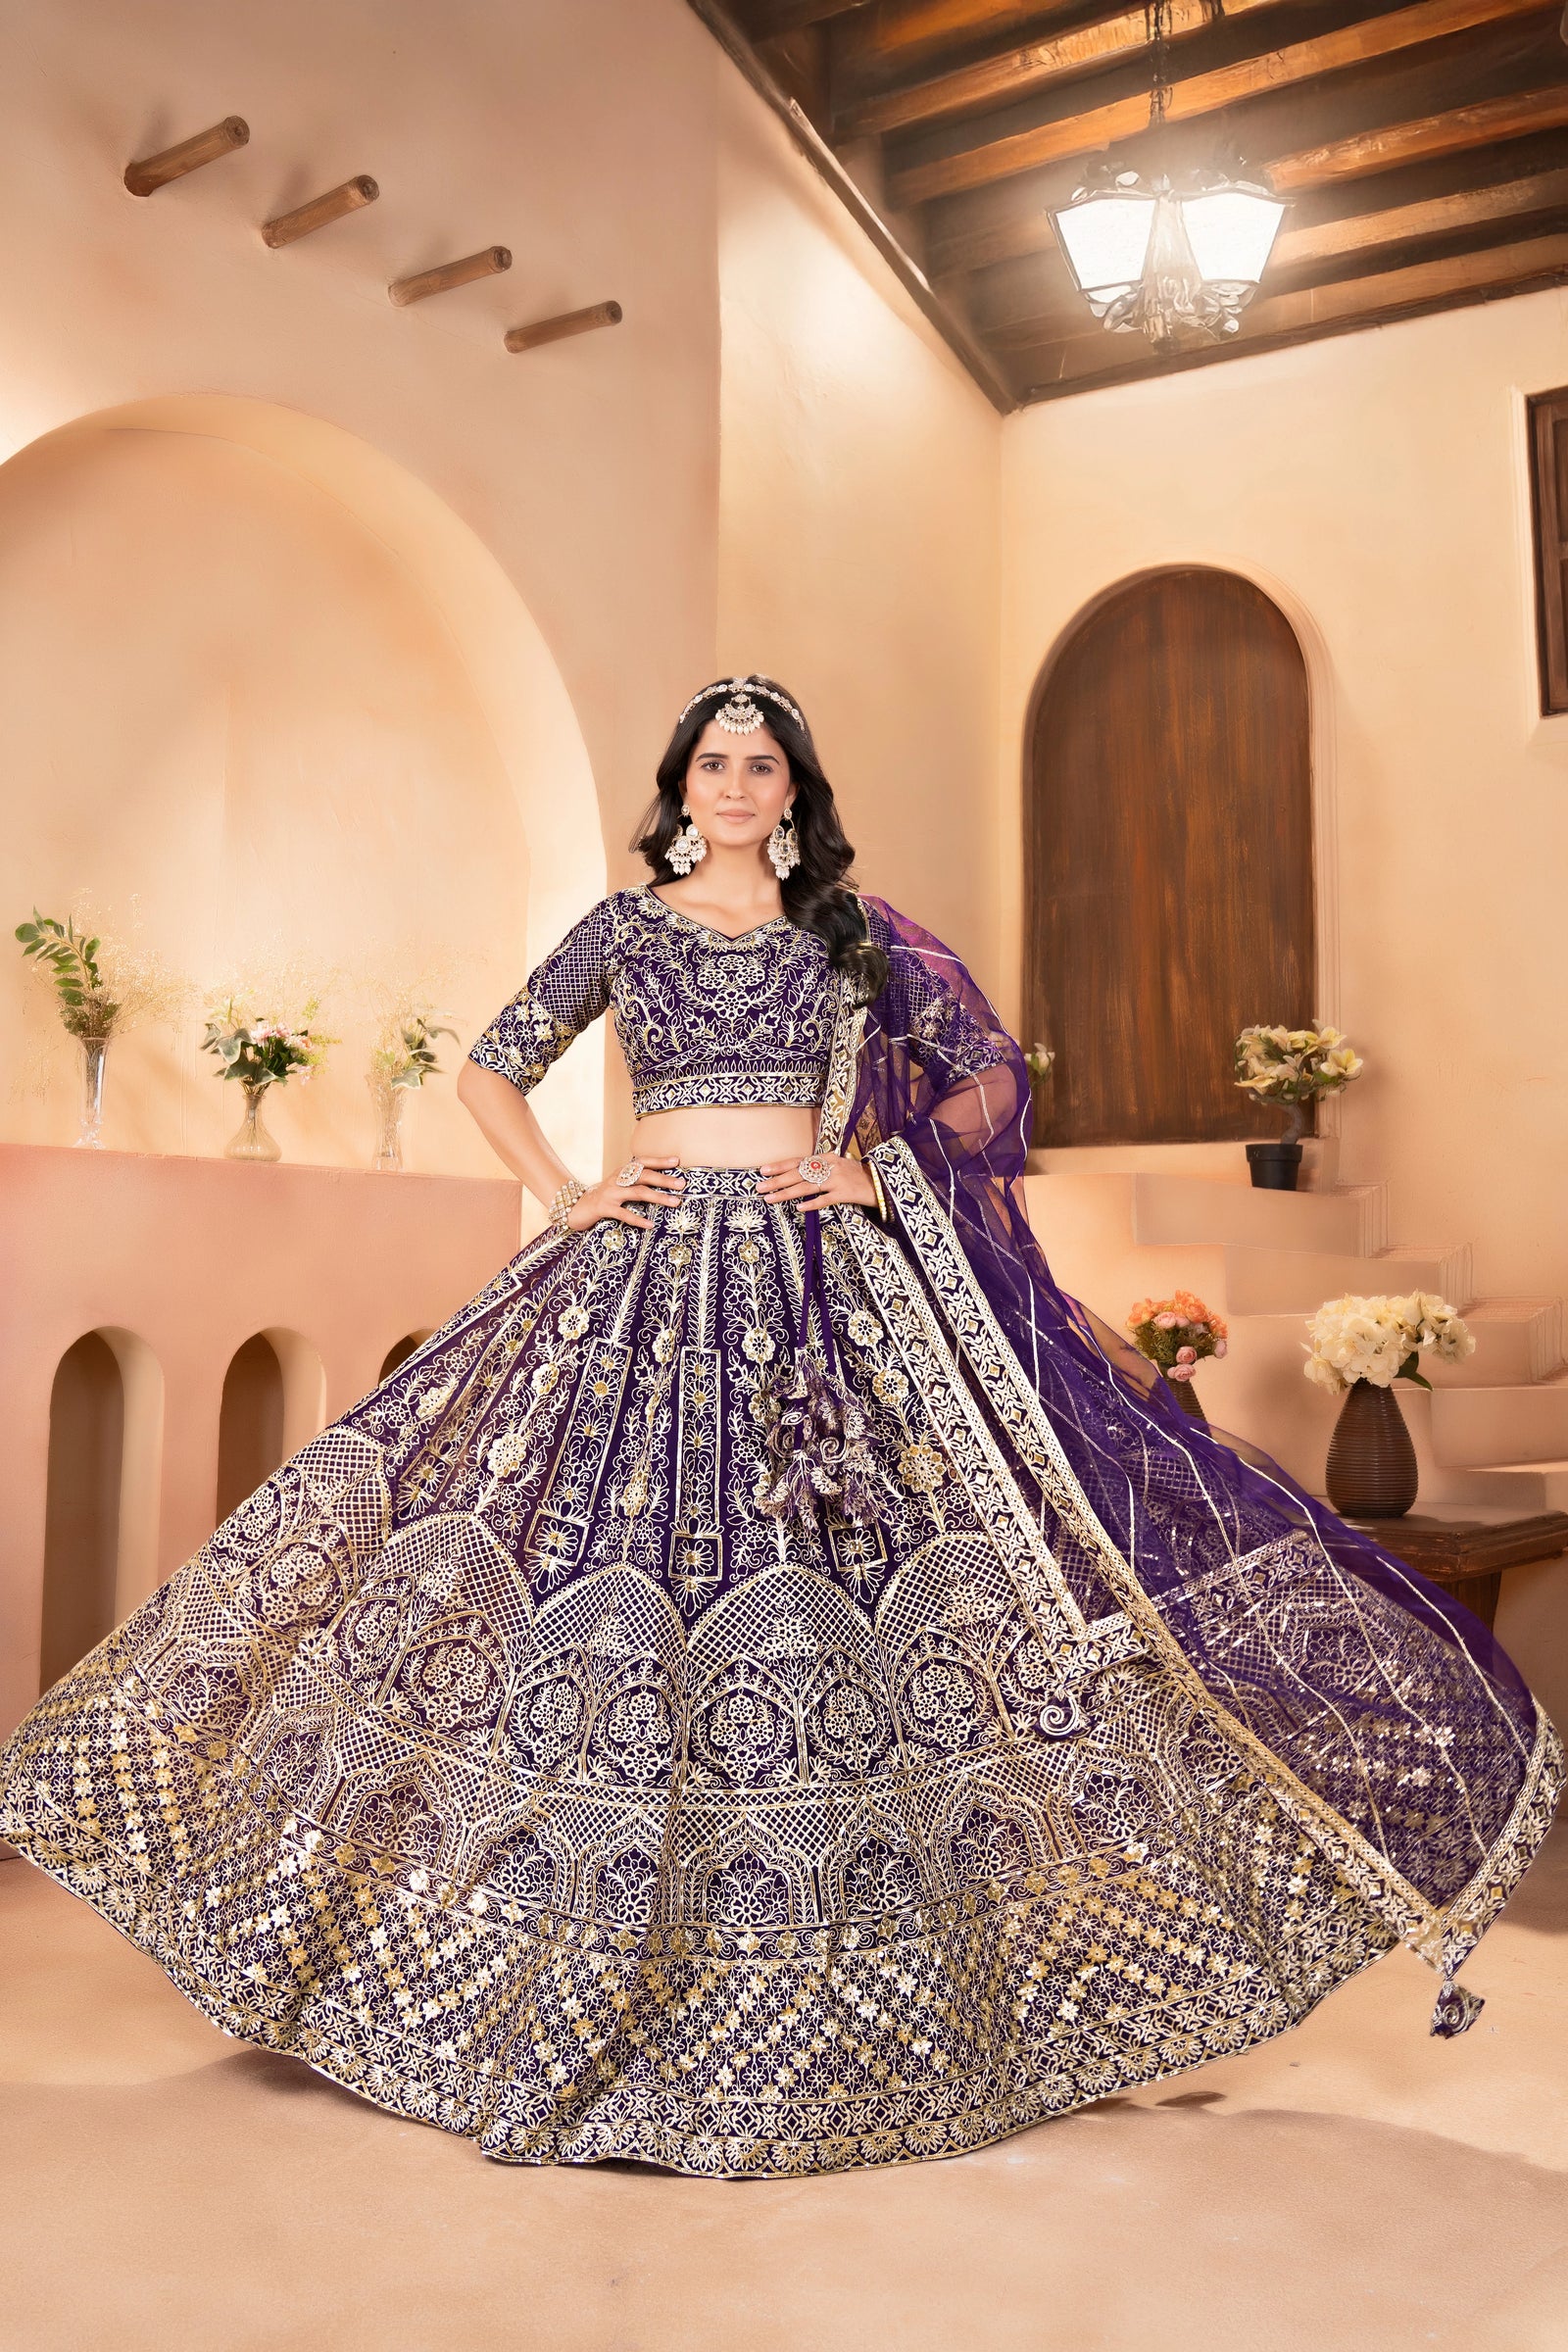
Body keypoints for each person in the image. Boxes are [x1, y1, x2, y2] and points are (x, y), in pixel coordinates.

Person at [1, 675, 1559, 2180]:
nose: (735, 787)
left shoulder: (853, 933)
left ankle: (827, 1970)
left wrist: (884, 1169)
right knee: (582, 1571)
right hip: (639, 1273)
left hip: (821, 1285)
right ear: (679, 785)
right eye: (713, 761)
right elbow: (493, 1068)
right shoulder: (624, 929)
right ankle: (571, 1941)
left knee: (829, 1591)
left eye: (763, 766)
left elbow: (990, 1079)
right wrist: (570, 1194)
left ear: (794, 797)